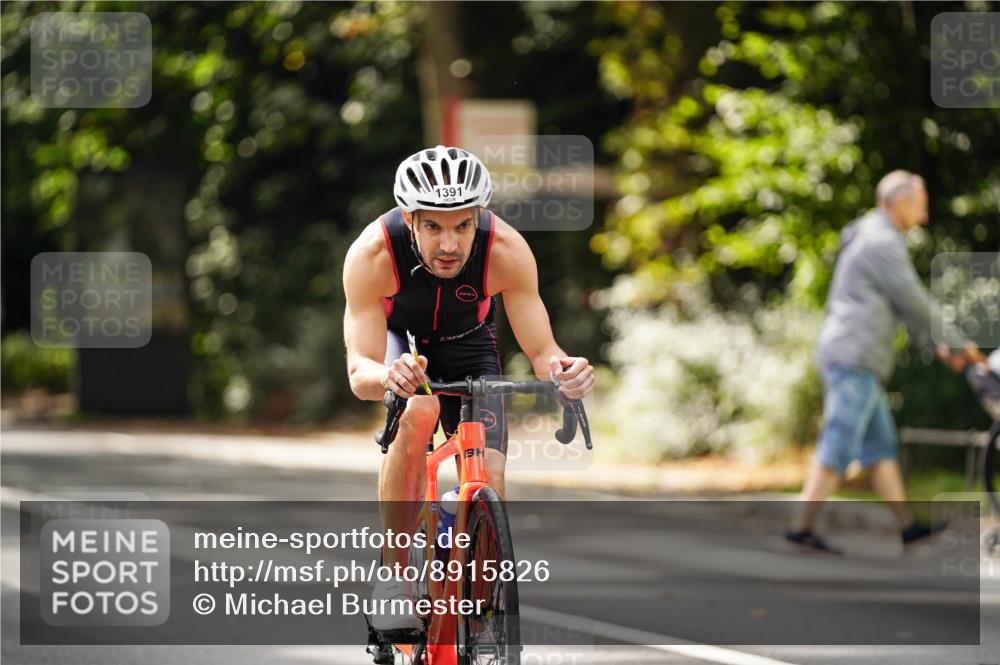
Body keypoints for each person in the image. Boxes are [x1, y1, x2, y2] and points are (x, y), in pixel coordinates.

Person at [342, 145, 595, 633]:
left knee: (490, 481)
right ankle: (394, 577)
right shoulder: (373, 254)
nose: (450, 244)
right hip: (403, 345)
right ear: (410, 219)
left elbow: (544, 351)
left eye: (462, 225)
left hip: (470, 344)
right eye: (433, 226)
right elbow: (361, 372)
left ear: (479, 217)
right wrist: (388, 378)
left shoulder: (507, 251)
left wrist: (566, 373)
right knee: (419, 411)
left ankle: (476, 623)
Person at [786, 170, 986, 553]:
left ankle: (907, 528)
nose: (924, 217)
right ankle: (800, 528)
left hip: (856, 355)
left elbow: (899, 305)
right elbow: (913, 300)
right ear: (901, 203)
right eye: (921, 207)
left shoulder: (870, 236)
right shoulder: (881, 243)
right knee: (840, 441)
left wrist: (941, 346)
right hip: (855, 357)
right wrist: (961, 344)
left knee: (879, 447)